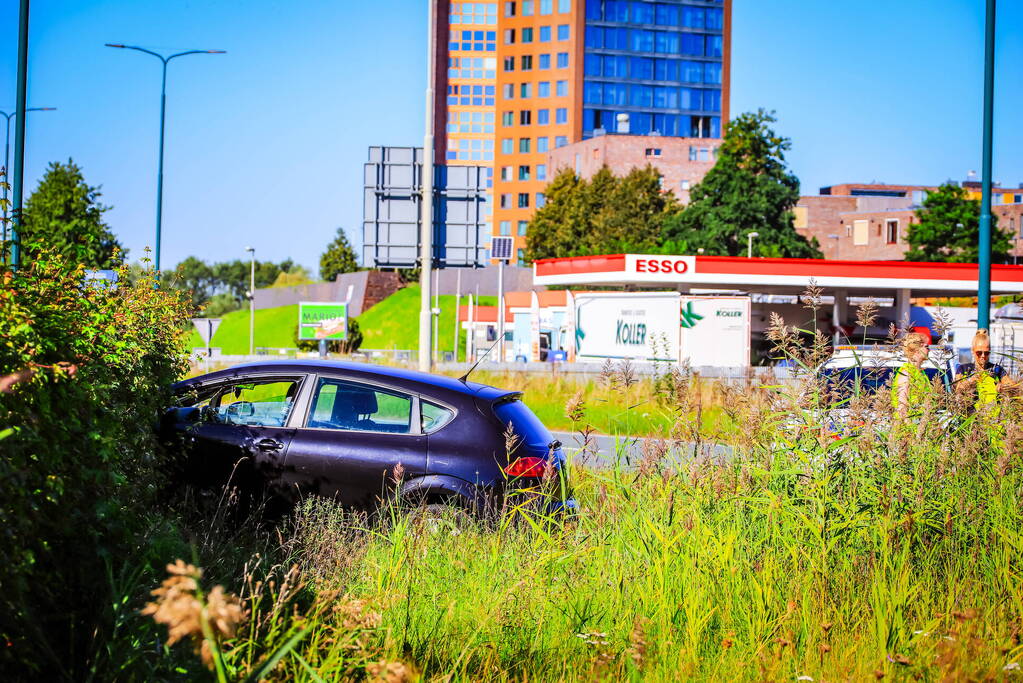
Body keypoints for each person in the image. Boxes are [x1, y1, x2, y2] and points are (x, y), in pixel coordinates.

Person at [955, 329, 1005, 413]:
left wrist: (1003, 387)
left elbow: (1011, 385)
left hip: (993, 419)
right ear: (972, 351)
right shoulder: (963, 369)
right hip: (971, 419)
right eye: (979, 353)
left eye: (986, 353)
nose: (983, 356)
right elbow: (958, 389)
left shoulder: (997, 369)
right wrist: (971, 381)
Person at [891, 332, 932, 419]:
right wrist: (909, 430)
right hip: (909, 427)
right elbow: (902, 406)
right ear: (917, 350)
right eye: (926, 347)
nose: (929, 350)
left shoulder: (921, 373)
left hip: (920, 424)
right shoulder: (906, 373)